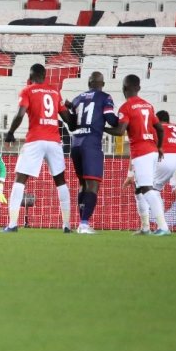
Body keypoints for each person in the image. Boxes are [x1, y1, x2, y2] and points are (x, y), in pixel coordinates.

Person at [1, 63, 75, 233]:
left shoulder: (28, 90)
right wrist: (74, 109)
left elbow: (20, 114)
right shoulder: (55, 92)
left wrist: (10, 132)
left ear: (31, 76)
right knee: (60, 181)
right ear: (45, 76)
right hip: (54, 141)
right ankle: (67, 225)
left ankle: (12, 224)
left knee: (20, 179)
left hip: (35, 139)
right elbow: (67, 119)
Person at [123, 110, 176, 236]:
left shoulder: (154, 129)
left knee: (149, 190)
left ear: (156, 119)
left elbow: (137, 149)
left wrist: (131, 174)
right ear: (169, 120)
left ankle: (156, 227)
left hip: (164, 158)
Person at [106, 74, 169, 236]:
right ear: (139, 88)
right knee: (139, 190)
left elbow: (120, 131)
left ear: (124, 88)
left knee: (147, 189)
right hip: (153, 150)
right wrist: (160, 147)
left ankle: (163, 227)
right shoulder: (148, 106)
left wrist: (101, 129)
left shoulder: (126, 107)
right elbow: (160, 129)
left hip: (141, 152)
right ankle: (145, 227)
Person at [67, 71, 119, 234]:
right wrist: (123, 121)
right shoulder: (105, 97)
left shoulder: (77, 99)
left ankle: (81, 222)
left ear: (89, 83)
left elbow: (72, 126)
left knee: (83, 184)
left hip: (75, 144)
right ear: (102, 84)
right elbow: (111, 119)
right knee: (93, 185)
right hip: (91, 144)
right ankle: (83, 224)